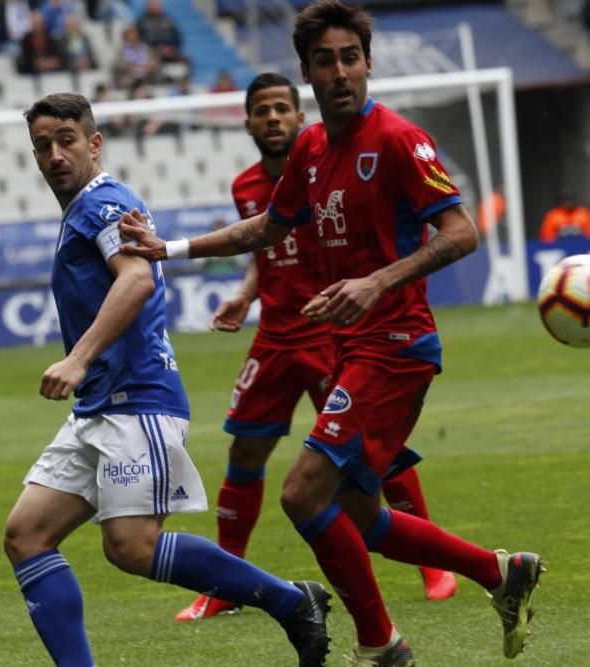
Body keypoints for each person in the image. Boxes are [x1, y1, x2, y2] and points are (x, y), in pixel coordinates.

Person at [117, 3, 543, 664]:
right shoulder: (313, 148)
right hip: (351, 347)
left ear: (368, 63)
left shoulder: (400, 139)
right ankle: (499, 570)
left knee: (301, 492)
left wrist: (378, 281)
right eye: (325, 60)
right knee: (363, 517)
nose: (340, 71)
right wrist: (166, 246)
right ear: (308, 71)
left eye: (350, 57)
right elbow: (265, 229)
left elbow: (461, 231)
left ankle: (380, 643)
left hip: (396, 345)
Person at [2, 92, 331, 667]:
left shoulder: (105, 202)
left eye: (66, 140)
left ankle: (289, 602)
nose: (54, 154)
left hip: (137, 403)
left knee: (130, 547)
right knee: (26, 534)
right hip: (99, 407)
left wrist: (77, 358)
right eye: (42, 146)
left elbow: (136, 280)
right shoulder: (82, 207)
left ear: (95, 142)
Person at [174, 72, 457, 624]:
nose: (274, 118)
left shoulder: (333, 165)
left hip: (332, 334)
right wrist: (244, 295)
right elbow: (267, 242)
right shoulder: (247, 186)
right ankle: (227, 583)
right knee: (245, 452)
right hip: (275, 336)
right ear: (249, 121)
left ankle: (434, 569)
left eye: (283, 109)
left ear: (300, 117)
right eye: (263, 111)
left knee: (375, 458)